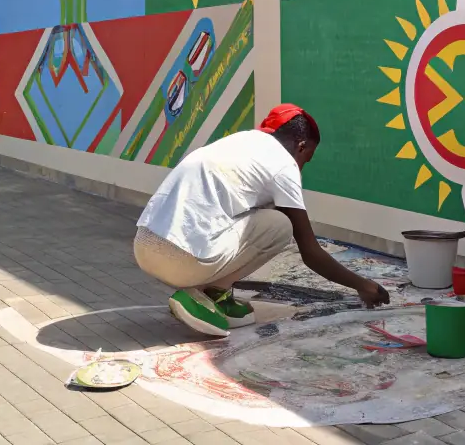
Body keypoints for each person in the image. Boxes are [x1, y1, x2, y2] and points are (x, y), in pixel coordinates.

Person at [134, 104, 391, 338]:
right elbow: (310, 252)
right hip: (180, 257)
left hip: (144, 245)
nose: (301, 167)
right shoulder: (283, 164)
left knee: (259, 211)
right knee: (280, 225)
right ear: (301, 146)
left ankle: (217, 294)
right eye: (306, 159)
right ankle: (199, 296)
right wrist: (363, 285)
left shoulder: (241, 142)